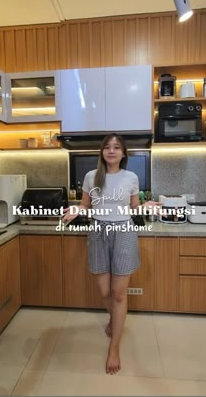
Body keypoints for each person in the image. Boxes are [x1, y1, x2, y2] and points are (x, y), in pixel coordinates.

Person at [62, 133, 160, 375]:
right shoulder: (91, 177)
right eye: (107, 147)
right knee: (105, 291)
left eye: (117, 147)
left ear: (124, 153)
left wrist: (145, 207)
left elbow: (134, 207)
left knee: (118, 293)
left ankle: (114, 348)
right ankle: (114, 320)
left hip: (124, 230)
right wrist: (77, 208)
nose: (112, 151)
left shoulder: (131, 177)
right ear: (102, 152)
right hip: (98, 231)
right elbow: (85, 205)